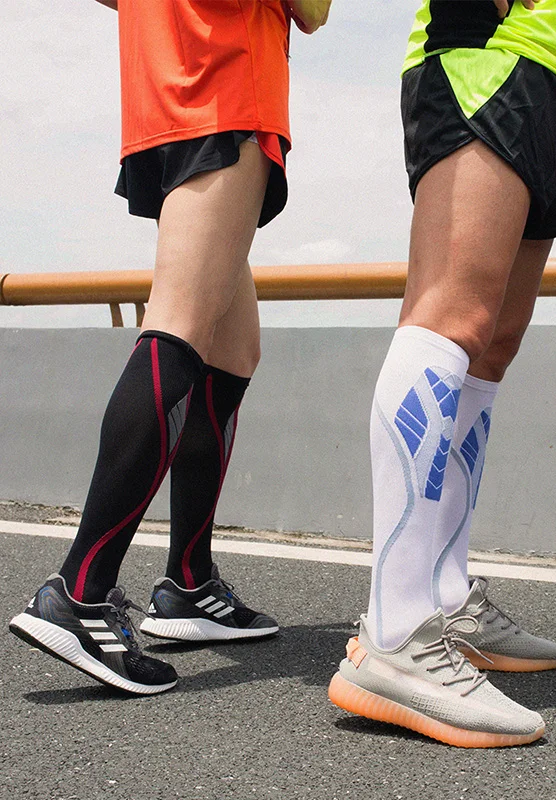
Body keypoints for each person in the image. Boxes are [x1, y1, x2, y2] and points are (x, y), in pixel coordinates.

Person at [8, 0, 331, 695]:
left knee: (232, 352)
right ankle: (80, 593)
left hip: (166, 86)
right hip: (224, 84)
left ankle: (189, 584)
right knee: (180, 329)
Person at [328, 0, 556, 747]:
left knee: (491, 343)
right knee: (448, 318)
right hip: (491, 47)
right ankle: (397, 632)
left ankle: (446, 598)